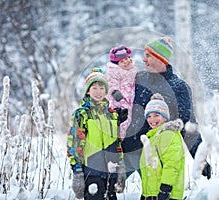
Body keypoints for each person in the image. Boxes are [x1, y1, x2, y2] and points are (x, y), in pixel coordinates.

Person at [121, 37, 211, 179]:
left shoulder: (179, 87)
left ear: (161, 59)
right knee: (105, 188)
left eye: (148, 56)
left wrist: (200, 159)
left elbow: (187, 124)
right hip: (128, 150)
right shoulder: (138, 78)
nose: (144, 60)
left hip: (156, 155)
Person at [67, 68, 127, 200]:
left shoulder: (112, 115)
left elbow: (117, 142)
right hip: (91, 170)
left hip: (112, 170)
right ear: (88, 91)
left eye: (101, 88)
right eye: (94, 88)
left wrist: (121, 166)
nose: (98, 92)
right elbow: (74, 143)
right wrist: (77, 170)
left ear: (106, 91)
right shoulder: (82, 114)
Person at [139, 93, 185, 200]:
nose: (152, 120)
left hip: (164, 194)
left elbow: (172, 164)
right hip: (152, 193)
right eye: (149, 116)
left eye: (156, 115)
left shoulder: (168, 134)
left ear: (165, 117)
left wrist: (165, 188)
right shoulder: (152, 137)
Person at [105, 45, 138, 140]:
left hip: (130, 100)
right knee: (122, 121)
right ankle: (118, 138)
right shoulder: (114, 71)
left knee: (129, 120)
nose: (126, 62)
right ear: (117, 64)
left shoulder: (134, 70)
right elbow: (110, 82)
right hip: (119, 100)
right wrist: (114, 91)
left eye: (127, 59)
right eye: (122, 62)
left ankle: (122, 139)